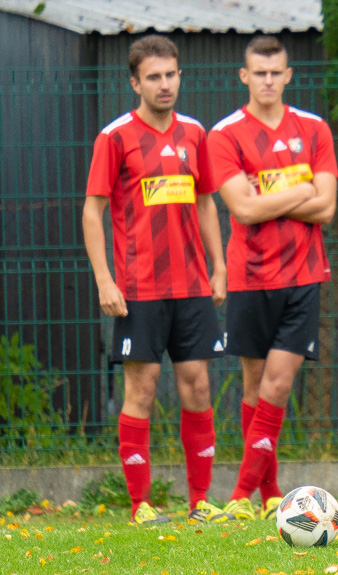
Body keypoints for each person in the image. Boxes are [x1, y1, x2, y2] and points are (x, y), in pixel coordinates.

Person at [82, 35, 229, 524]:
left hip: (191, 287)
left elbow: (206, 200)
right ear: (135, 82)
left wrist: (219, 265)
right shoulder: (115, 136)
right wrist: (105, 279)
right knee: (141, 390)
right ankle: (141, 505)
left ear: (180, 76)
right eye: (153, 77)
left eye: (171, 75)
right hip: (139, 288)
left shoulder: (195, 133)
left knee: (198, 388)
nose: (164, 85)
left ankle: (200, 501)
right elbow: (92, 211)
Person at [208, 36, 338, 521]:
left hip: (303, 274)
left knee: (278, 386)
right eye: (258, 73)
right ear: (244, 76)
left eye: (275, 72)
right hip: (248, 275)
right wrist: (302, 188)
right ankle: (271, 494)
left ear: (288, 75)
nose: (267, 80)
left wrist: (271, 198)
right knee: (253, 388)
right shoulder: (225, 135)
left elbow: (326, 207)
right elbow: (241, 208)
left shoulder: (314, 128)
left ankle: (240, 495)